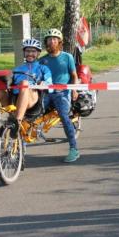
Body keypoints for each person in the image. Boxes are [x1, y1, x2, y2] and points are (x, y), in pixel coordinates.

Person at [38, 28, 81, 163]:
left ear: (59, 42)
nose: (51, 42)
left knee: (63, 115)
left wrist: (74, 90)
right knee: (33, 114)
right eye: (49, 40)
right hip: (46, 93)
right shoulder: (42, 60)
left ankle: (74, 149)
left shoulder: (67, 57)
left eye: (54, 39)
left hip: (63, 92)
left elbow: (74, 76)